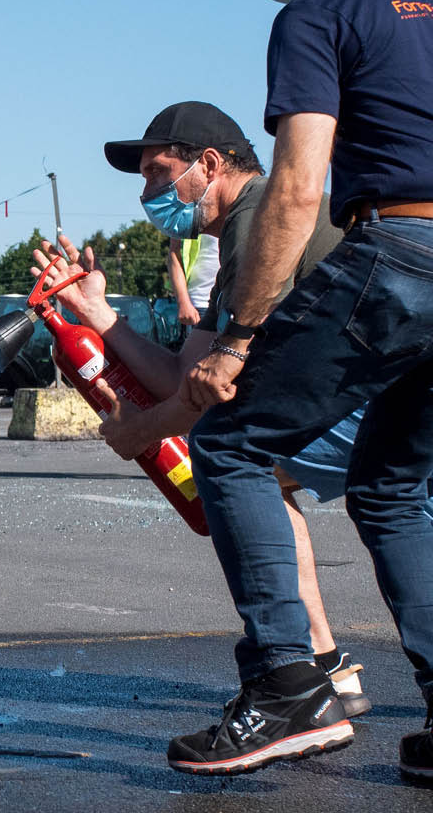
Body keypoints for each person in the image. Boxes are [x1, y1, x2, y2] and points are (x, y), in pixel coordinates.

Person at [170, 0, 433, 779]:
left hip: (402, 248)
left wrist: (238, 336)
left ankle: (288, 685)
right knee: (393, 486)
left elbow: (295, 187)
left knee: (233, 442)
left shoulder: (321, 9)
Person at [32, 100, 370, 720]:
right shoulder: (244, 234)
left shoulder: (261, 221)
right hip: (365, 389)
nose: (148, 194)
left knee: (229, 452)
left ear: (208, 164)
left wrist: (143, 433)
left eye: (158, 174)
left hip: (388, 392)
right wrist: (98, 314)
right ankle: (322, 664)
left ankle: (292, 678)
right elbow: (182, 378)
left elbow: (209, 395)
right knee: (252, 462)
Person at [167, 234, 219, 330]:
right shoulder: (190, 218)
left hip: (237, 303)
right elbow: (174, 253)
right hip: (200, 304)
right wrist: (183, 302)